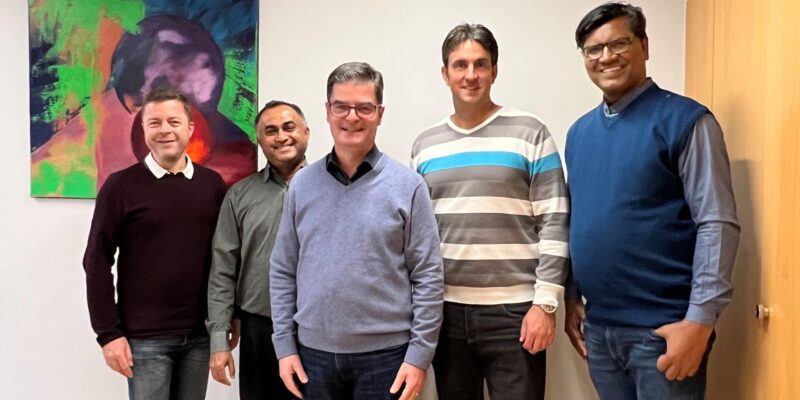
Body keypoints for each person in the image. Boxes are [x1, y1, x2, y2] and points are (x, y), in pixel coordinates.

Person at [564, 3, 740, 399]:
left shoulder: (686, 121)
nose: (606, 57)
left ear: (644, 45)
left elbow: (717, 222)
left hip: (663, 332)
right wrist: (572, 292)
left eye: (619, 43)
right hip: (600, 330)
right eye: (593, 49)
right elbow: (580, 219)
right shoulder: (579, 134)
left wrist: (700, 321)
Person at [411, 23, 570, 400]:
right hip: (445, 314)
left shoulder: (530, 132)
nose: (470, 75)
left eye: (480, 64)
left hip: (515, 313)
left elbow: (555, 220)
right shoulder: (425, 146)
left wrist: (545, 304)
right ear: (445, 73)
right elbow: (418, 237)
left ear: (494, 71)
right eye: (460, 65)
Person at [269, 62, 444, 400]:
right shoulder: (302, 185)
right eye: (341, 106)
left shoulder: (408, 186)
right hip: (312, 356)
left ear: (379, 113)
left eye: (364, 107)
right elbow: (282, 269)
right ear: (327, 111)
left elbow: (429, 275)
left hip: (387, 359)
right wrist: (284, 347)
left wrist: (419, 356)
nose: (351, 117)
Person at [83, 87, 227, 400]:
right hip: (145, 339)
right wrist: (108, 334)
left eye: (174, 122)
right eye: (155, 123)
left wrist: (227, 321)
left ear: (190, 128)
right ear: (143, 129)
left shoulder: (212, 185)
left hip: (200, 335)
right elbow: (96, 261)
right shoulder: (120, 187)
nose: (165, 130)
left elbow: (227, 261)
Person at [206, 100, 310, 399]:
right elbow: (223, 270)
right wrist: (219, 339)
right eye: (271, 130)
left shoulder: (334, 188)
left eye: (289, 127)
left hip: (317, 332)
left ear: (306, 132)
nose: (281, 136)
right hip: (258, 332)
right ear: (259, 140)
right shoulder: (239, 195)